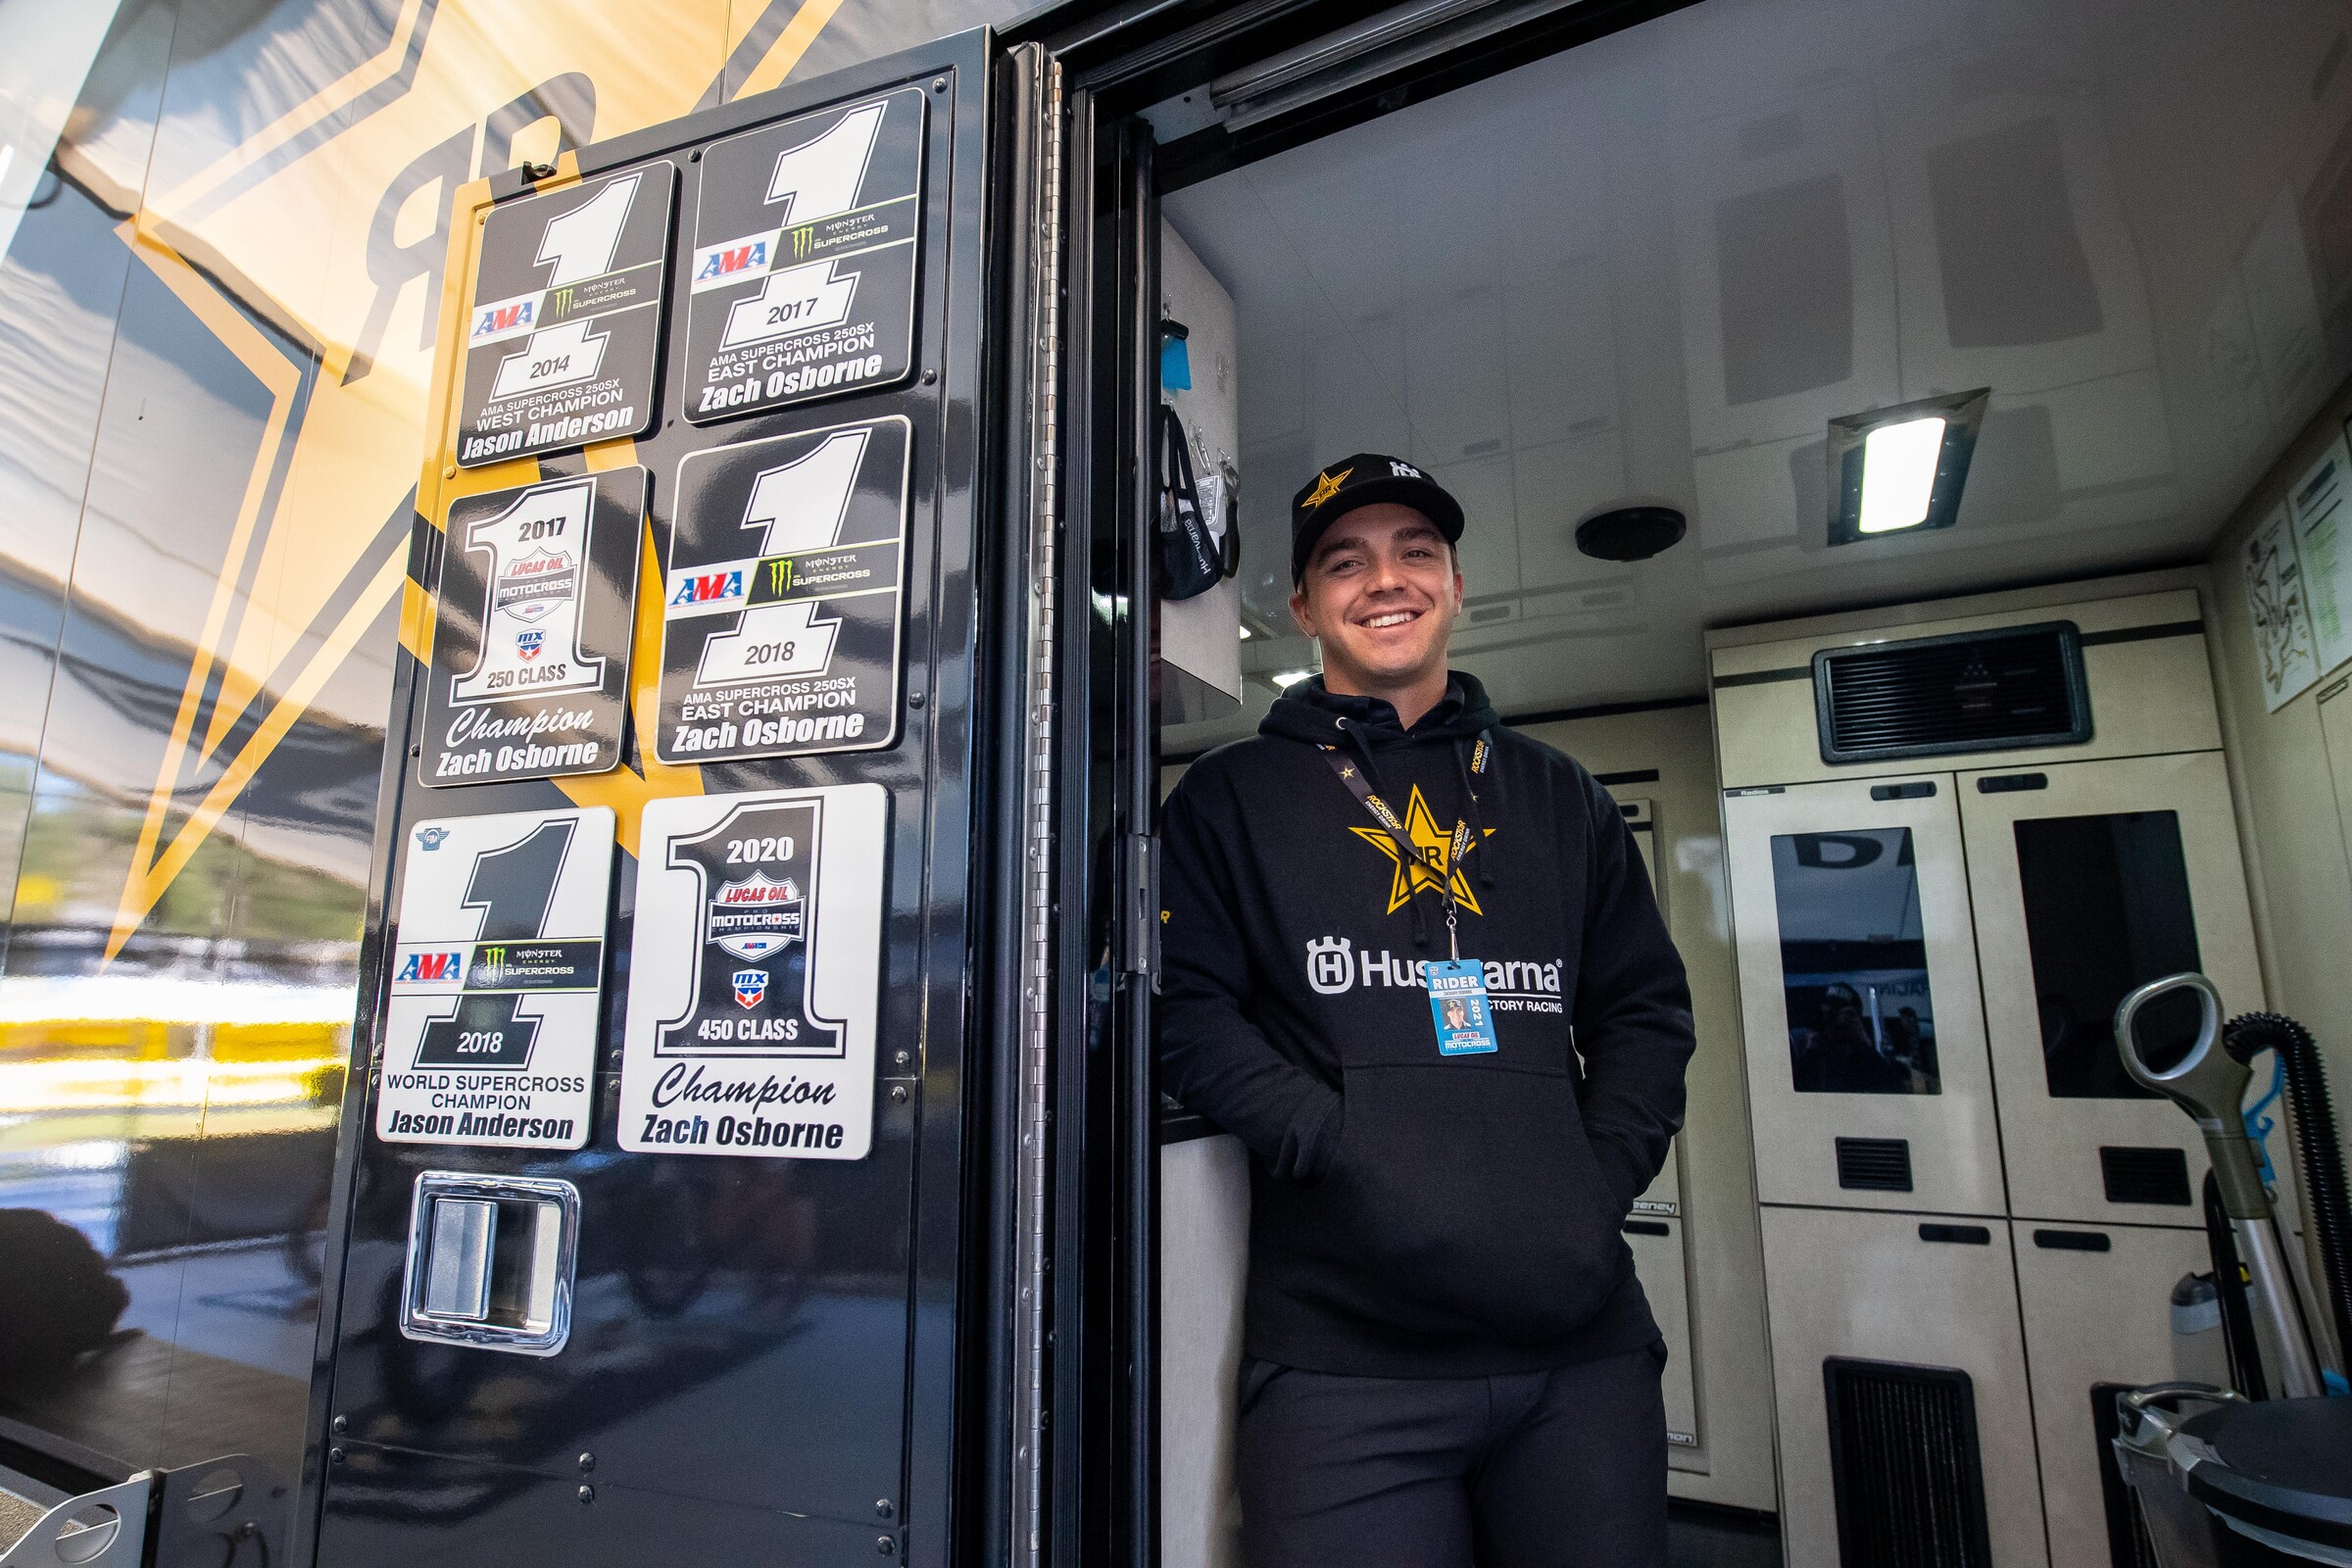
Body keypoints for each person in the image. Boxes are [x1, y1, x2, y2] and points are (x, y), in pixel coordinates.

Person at [1157, 454, 1697, 1567]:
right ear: (1302, 605)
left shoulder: (1563, 796)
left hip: (1578, 1357)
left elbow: (1645, 1011)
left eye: (1417, 552)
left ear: (1455, 585)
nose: (1384, 580)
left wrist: (1593, 1180)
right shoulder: (1226, 801)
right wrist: (1336, 1143)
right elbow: (1188, 1015)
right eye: (1345, 561)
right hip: (1346, 1369)